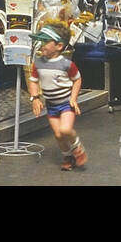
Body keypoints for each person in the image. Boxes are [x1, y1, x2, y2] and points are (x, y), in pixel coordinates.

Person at [27, 23, 86, 170]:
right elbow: (33, 81)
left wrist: (73, 98)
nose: (42, 45)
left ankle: (77, 148)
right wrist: (35, 98)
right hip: (51, 106)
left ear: (59, 46)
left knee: (65, 130)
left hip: (66, 104)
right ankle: (68, 156)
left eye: (46, 42)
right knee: (58, 135)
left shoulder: (66, 64)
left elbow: (77, 79)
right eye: (41, 42)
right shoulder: (38, 63)